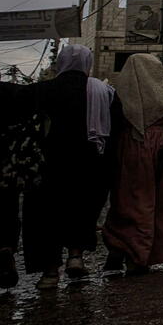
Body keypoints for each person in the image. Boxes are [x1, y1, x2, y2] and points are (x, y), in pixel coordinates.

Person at [24, 45, 117, 287]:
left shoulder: (42, 90)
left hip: (49, 164)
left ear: (61, 62)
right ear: (88, 63)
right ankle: (76, 256)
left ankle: (50, 272)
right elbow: (116, 128)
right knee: (83, 209)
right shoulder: (102, 91)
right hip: (90, 163)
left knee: (48, 215)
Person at [104, 53, 163, 275]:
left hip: (132, 146)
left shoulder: (120, 94)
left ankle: (128, 249)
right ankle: (150, 252)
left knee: (131, 200)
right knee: (162, 201)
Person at [0, 58, 44, 289]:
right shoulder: (18, 92)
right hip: (9, 163)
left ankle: (4, 247)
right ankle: (6, 247)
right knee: (7, 205)